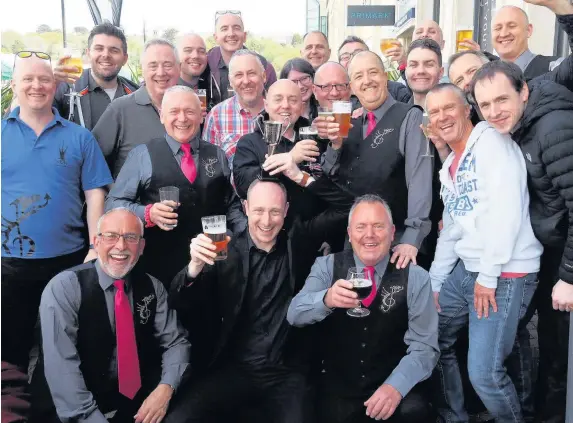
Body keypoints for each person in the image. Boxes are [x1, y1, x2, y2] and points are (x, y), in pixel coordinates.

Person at [165, 179, 334, 423]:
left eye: (275, 211)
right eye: (259, 211)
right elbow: (180, 303)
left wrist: (300, 176)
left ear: (286, 210)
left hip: (284, 372)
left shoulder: (299, 243)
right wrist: (193, 268)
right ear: (245, 208)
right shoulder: (223, 246)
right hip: (232, 368)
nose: (266, 221)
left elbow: (344, 208)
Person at [425, 83, 542, 422]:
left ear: (466, 109)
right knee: (434, 337)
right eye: (435, 112)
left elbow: (507, 214)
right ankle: (455, 416)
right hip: (467, 270)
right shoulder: (451, 166)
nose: (443, 116)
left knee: (485, 375)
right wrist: (434, 283)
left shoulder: (491, 142)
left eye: (449, 107)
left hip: (504, 273)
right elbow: (453, 228)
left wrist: (488, 277)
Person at [471, 59, 573, 423]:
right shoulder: (519, 126)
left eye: (502, 100)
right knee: (540, 346)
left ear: (524, 91)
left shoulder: (552, 128)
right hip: (549, 252)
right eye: (485, 105)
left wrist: (569, 276)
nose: (495, 111)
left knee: (560, 356)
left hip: (565, 260)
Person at [1, 53, 112, 371]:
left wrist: (95, 245)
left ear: (56, 85)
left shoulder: (79, 137)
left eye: (44, 79)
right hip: (9, 265)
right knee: (11, 352)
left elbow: (94, 194)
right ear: (14, 84)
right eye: (28, 79)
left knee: (69, 346)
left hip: (69, 262)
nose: (37, 86)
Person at [29, 208, 191, 423]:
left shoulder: (153, 287)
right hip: (68, 409)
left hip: (130, 403)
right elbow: (62, 370)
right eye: (111, 236)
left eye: (130, 237)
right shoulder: (65, 287)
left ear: (141, 246)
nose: (121, 246)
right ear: (96, 242)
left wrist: (165, 388)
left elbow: (176, 343)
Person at [288, 195, 439, 423]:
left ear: (392, 232)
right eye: (361, 227)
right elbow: (294, 314)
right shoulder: (327, 267)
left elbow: (424, 348)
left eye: (378, 226)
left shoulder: (416, 277)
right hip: (338, 390)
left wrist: (395, 387)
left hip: (389, 385)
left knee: (415, 411)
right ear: (349, 233)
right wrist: (326, 299)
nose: (369, 235)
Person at [106, 86, 243, 286]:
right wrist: (147, 213)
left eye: (189, 111)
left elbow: (231, 205)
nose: (182, 118)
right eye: (174, 112)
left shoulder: (217, 154)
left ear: (200, 116)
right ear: (162, 116)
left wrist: (240, 235)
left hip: (212, 268)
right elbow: (113, 205)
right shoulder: (142, 155)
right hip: (157, 269)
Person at [321, 51, 433, 269]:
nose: (367, 80)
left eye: (373, 72)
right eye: (359, 76)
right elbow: (331, 177)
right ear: (352, 86)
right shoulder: (348, 122)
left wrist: (412, 237)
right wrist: (334, 145)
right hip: (354, 245)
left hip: (398, 246)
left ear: (385, 77)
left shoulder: (410, 116)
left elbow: (420, 179)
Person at [93, 39, 180, 178]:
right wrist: (115, 192)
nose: (161, 72)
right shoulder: (119, 110)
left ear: (179, 68)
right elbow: (93, 162)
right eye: (153, 66)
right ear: (142, 70)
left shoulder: (187, 109)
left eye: (168, 65)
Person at [53, 23, 138, 130]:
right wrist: (48, 86)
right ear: (88, 54)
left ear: (125, 59)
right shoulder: (66, 88)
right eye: (99, 48)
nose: (106, 55)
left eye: (114, 50)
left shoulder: (136, 93)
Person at [202, 49, 266, 170]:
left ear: (264, 76)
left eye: (252, 73)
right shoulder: (216, 116)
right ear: (231, 81)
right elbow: (210, 169)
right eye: (239, 75)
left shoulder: (279, 111)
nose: (246, 81)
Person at [207, 11, 277, 106]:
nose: (231, 33)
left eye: (236, 28)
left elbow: (275, 102)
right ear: (215, 37)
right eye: (224, 29)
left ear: (244, 36)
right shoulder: (207, 62)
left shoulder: (263, 66)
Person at [492, 5, 564, 79]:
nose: (504, 34)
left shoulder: (554, 68)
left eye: (512, 26)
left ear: (528, 30)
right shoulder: (486, 77)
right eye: (498, 28)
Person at [336, 37, 413, 104]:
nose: (352, 59)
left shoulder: (394, 90)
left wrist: (405, 64)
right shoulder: (334, 93)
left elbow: (416, 103)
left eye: (358, 53)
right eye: (345, 57)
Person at [404, 38, 443, 107]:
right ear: (406, 72)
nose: (421, 71)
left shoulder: (458, 114)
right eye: (413, 65)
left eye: (429, 64)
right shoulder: (397, 116)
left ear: (440, 72)